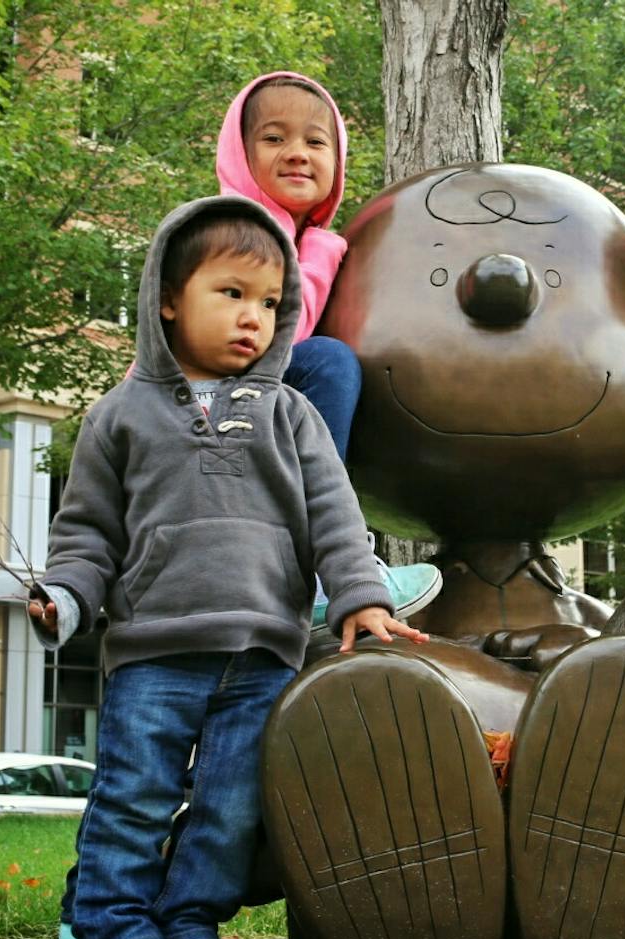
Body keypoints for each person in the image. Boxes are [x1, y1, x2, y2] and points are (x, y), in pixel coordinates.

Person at [31, 195, 427, 939]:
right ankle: (112, 935)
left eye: (271, 303)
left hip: (262, 655)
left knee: (231, 807)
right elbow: (86, 537)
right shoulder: (119, 418)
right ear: (168, 298)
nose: (254, 318)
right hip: (155, 653)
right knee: (135, 797)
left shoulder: (293, 415)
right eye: (231, 294)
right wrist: (65, 599)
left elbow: (336, 519)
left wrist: (358, 595)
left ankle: (189, 926)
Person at [215, 71, 441, 632]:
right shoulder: (238, 229)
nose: (297, 154)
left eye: (316, 142)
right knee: (329, 363)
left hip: (238, 409)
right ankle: (327, 569)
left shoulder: (284, 234)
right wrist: (320, 252)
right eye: (273, 139)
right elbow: (276, 341)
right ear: (240, 155)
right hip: (205, 406)